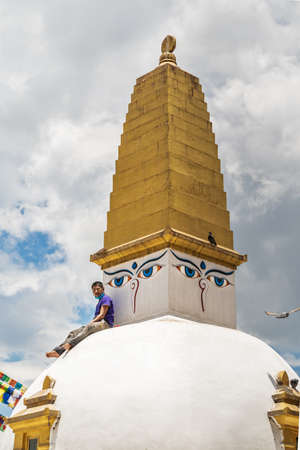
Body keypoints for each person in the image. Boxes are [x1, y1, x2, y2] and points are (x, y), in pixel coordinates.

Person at [46, 281, 114, 358]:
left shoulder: (105, 298)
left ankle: (71, 344)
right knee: (73, 332)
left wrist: (91, 322)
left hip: (106, 324)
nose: (96, 291)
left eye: (98, 289)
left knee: (88, 328)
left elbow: (102, 315)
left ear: (103, 289)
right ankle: (58, 350)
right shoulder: (99, 302)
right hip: (98, 324)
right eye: (94, 290)